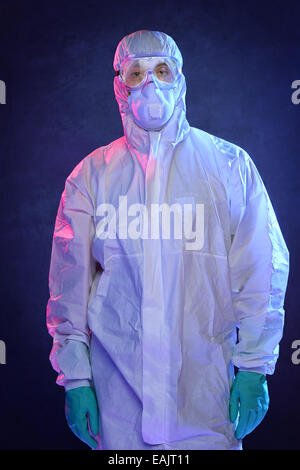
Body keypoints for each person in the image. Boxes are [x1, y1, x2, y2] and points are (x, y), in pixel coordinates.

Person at [46, 30, 289, 450]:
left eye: (162, 70)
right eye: (136, 73)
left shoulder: (228, 166)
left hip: (205, 394)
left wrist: (253, 366)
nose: (151, 83)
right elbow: (70, 282)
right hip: (117, 395)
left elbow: (261, 268)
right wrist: (77, 378)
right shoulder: (92, 175)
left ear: (180, 78)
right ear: (119, 86)